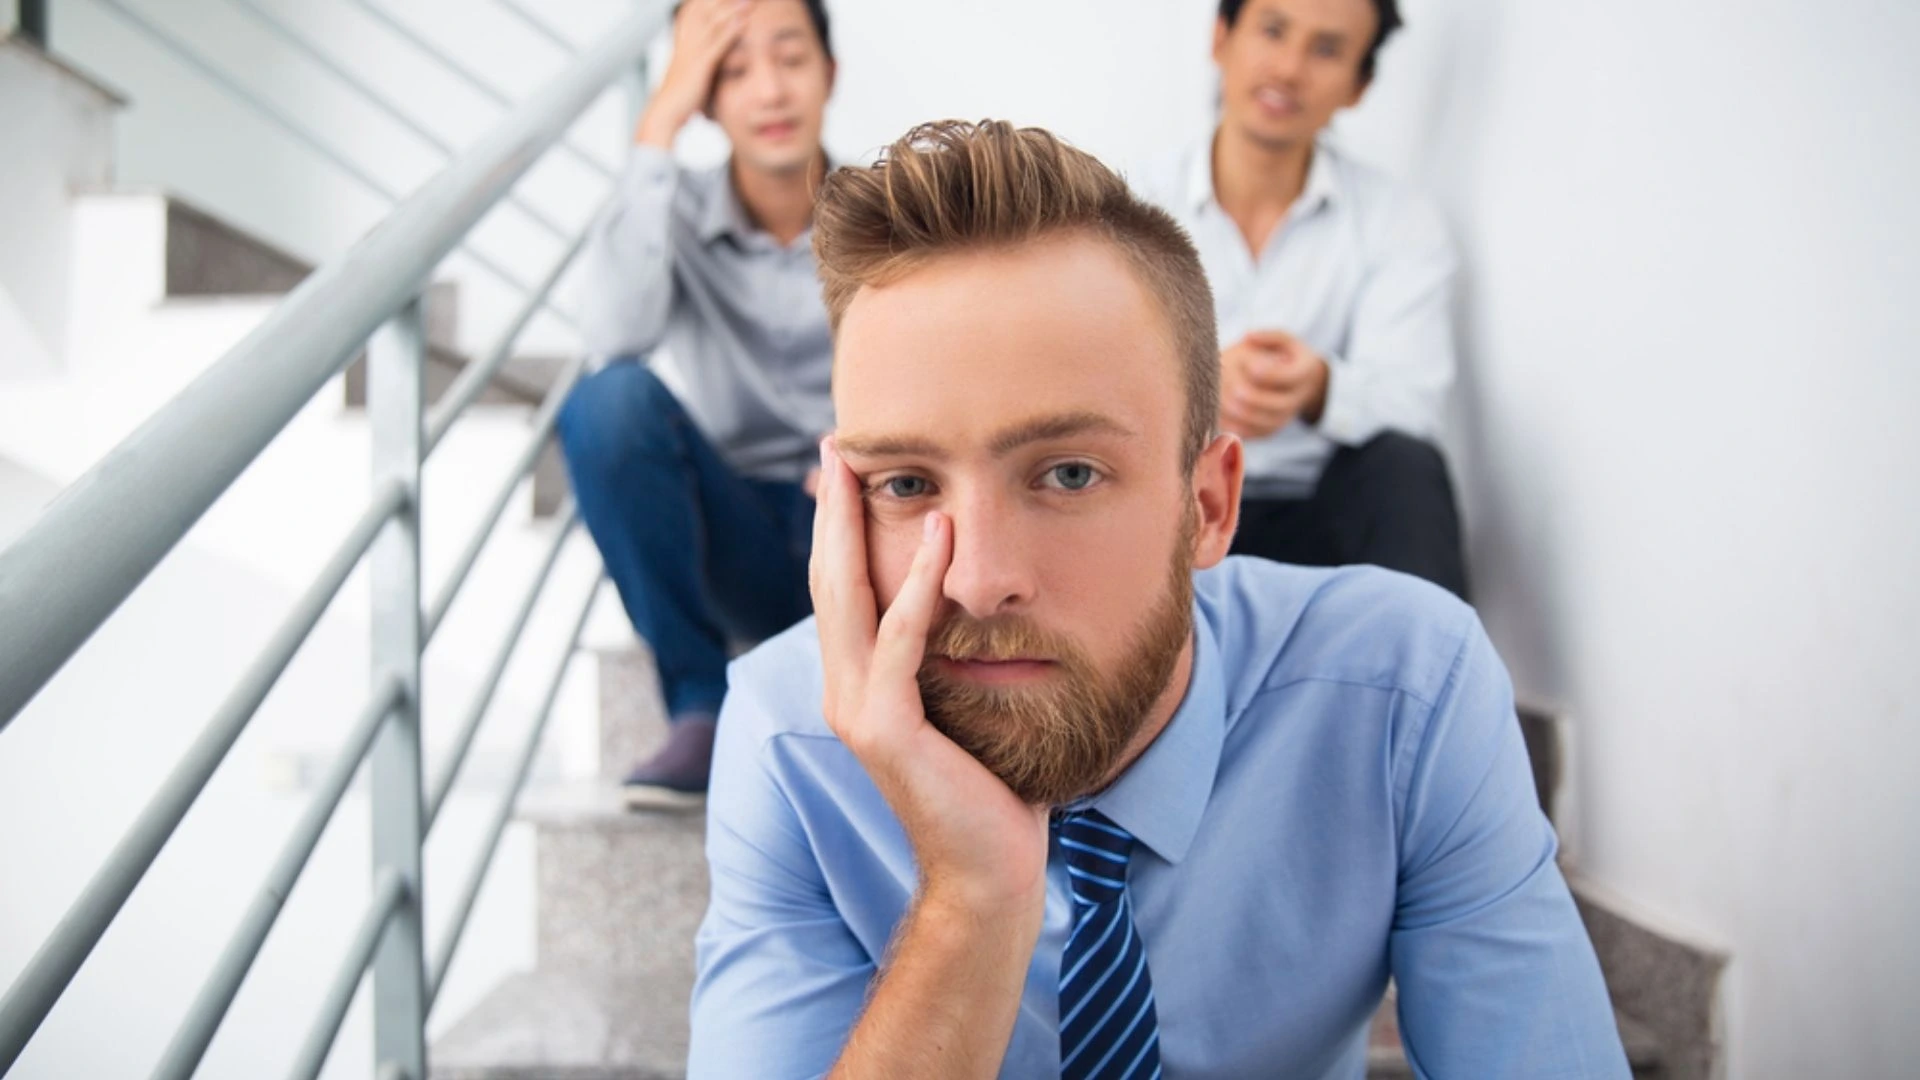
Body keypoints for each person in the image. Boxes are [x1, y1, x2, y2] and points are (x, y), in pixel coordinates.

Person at [687, 120, 1627, 1078]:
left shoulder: (1405, 691)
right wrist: (974, 898)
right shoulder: (789, 736)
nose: (976, 579)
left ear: (1209, 505)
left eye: (1068, 474)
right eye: (906, 484)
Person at [559, 0, 837, 803]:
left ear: (830, 73)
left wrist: (881, 453)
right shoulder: (670, 210)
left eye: (790, 58)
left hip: (859, 520)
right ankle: (699, 705)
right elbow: (612, 337)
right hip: (736, 530)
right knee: (607, 404)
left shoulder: (891, 212)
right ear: (707, 99)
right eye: (735, 71)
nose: (771, 92)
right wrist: (657, 129)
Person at [1135, 0, 1469, 598]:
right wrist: (1202, 387)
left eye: (1326, 49)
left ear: (1358, 86)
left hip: (1322, 512)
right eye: (1272, 30)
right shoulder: (1131, 208)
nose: (1289, 69)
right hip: (1174, 506)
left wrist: (1319, 390)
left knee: (1405, 465)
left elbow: (1412, 402)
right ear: (1221, 40)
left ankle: (1439, 681)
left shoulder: (1400, 221)